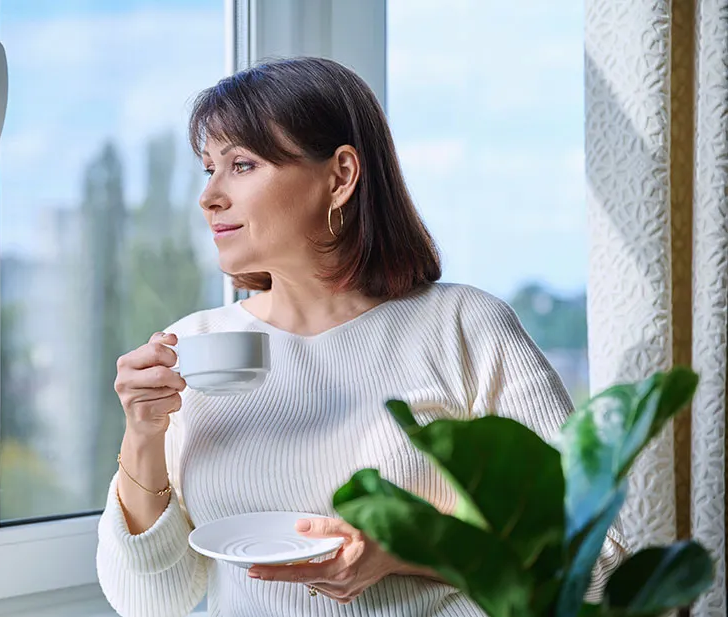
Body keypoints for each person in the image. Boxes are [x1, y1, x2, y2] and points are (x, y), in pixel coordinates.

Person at [96, 56, 626, 617]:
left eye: (242, 165)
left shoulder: (466, 329)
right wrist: (143, 434)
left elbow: (598, 569)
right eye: (209, 169)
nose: (209, 197)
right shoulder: (193, 347)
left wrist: (409, 551)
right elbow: (148, 601)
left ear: (341, 175)